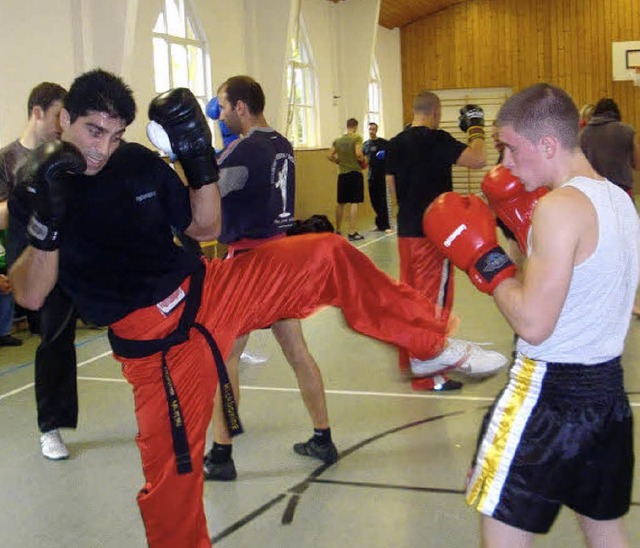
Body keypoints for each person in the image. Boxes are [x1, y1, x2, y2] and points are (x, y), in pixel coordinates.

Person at [9, 68, 506, 547]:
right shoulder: (37, 184)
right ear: (64, 120)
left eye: (115, 135)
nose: (103, 148)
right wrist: (48, 223)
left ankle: (426, 345)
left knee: (329, 251)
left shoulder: (136, 162)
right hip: (159, 348)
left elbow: (204, 228)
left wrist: (198, 160)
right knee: (173, 486)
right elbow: (31, 295)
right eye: (94, 131)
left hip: (213, 289)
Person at [425, 83, 637, 547]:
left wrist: (488, 260)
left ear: (547, 144)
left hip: (546, 398)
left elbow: (534, 325)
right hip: (607, 400)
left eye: (510, 148)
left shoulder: (558, 208)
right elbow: (581, 290)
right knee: (607, 535)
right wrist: (519, 243)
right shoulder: (620, 202)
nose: (504, 163)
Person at [202, 75, 337, 482]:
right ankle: (323, 437)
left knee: (225, 357)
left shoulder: (243, 148)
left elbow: (208, 192)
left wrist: (189, 156)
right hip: (282, 260)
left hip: (249, 264)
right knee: (298, 353)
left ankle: (221, 456)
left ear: (241, 107)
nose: (222, 115)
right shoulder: (281, 142)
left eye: (224, 107)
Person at [385, 91, 508, 391]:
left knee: (410, 298)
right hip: (432, 235)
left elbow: (390, 185)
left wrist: (400, 216)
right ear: (437, 112)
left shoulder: (395, 143)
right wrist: (476, 129)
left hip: (406, 233)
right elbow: (478, 159)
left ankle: (409, 361)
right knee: (433, 303)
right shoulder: (437, 140)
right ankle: (427, 374)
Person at [1, 82, 80, 461]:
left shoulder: (67, 156)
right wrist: (32, 189)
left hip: (66, 257)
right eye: (56, 117)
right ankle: (48, 427)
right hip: (27, 261)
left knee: (61, 337)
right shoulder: (7, 159)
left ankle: (53, 425)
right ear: (37, 113)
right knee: (51, 338)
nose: (61, 125)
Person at [579, 97, 640, 199]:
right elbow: (638, 164)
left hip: (594, 195)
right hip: (621, 193)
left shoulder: (583, 135)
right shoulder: (628, 131)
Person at [328, 118, 366, 241]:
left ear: (347, 126)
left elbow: (329, 155)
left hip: (342, 174)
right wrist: (364, 161)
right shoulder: (357, 138)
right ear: (355, 127)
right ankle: (352, 231)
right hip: (354, 173)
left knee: (340, 203)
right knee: (354, 202)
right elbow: (358, 154)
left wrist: (339, 161)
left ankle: (338, 229)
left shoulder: (338, 140)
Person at [362, 122, 391, 232]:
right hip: (371, 176)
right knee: (374, 201)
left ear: (377, 130)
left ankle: (386, 225)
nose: (371, 131)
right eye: (370, 129)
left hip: (382, 176)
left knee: (383, 200)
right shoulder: (366, 144)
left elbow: (392, 154)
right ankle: (379, 224)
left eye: (373, 129)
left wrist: (386, 155)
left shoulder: (383, 143)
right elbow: (363, 160)